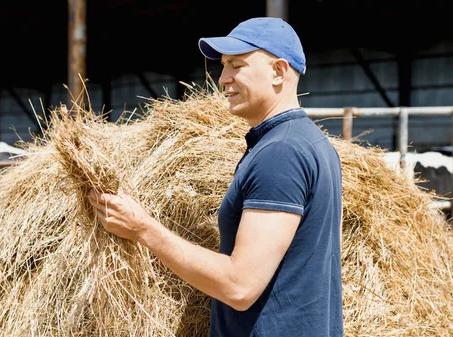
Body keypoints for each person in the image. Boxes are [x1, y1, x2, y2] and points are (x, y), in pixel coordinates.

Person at [88, 16, 343, 337]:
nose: (223, 79)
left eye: (236, 65)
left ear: (279, 71)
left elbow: (240, 286)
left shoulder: (281, 153)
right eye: (223, 66)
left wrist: (143, 229)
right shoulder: (310, 141)